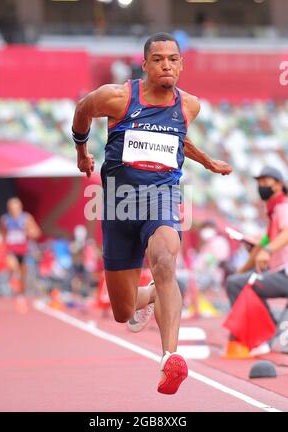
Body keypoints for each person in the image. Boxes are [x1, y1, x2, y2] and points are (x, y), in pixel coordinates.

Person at [72, 32, 232, 394]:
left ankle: (169, 358)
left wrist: (207, 162)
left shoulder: (189, 106)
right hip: (118, 203)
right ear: (144, 64)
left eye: (173, 59)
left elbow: (178, 140)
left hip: (161, 196)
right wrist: (82, 152)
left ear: (182, 64)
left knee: (165, 262)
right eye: (158, 59)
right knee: (122, 311)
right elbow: (82, 109)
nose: (166, 65)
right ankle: (152, 295)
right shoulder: (117, 97)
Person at [226, 166, 288, 356]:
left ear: (278, 185)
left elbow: (286, 232)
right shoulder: (272, 212)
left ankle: (262, 336)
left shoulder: (283, 207)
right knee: (238, 280)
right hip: (278, 272)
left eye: (265, 181)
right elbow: (262, 245)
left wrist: (268, 251)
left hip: (284, 273)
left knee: (237, 284)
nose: (261, 186)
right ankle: (272, 329)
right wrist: (243, 269)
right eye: (259, 182)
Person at [0, 197, 41, 313]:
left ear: (20, 208)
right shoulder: (5, 219)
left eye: (16, 208)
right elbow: (3, 233)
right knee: (14, 267)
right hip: (11, 250)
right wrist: (2, 246)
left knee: (22, 278)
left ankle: (20, 298)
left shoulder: (26, 218)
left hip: (23, 251)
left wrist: (29, 232)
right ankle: (13, 277)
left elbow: (37, 232)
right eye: (12, 208)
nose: (14, 210)